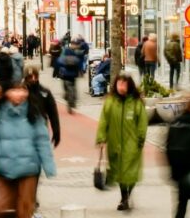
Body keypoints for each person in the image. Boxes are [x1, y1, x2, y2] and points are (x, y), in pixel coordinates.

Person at [0, 82, 58, 218]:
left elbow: (42, 139)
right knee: (0, 208)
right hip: (4, 168)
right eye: (14, 90)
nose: (18, 94)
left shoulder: (33, 112)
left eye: (22, 90)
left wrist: (48, 165)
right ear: (7, 92)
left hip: (29, 168)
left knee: (25, 209)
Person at [96, 73, 149, 211]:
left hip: (132, 144)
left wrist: (141, 139)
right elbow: (104, 120)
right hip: (115, 143)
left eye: (124, 84)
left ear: (129, 85)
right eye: (119, 84)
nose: (121, 87)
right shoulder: (110, 102)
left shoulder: (136, 103)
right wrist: (101, 138)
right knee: (119, 172)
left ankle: (126, 196)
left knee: (130, 173)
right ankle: (124, 197)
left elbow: (142, 122)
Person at [25, 65, 61, 147]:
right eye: (30, 77)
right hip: (24, 129)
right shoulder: (20, 92)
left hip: (41, 128)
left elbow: (53, 113)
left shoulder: (44, 92)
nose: (33, 79)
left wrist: (56, 131)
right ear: (26, 77)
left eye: (35, 76)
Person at [58, 39, 85, 112]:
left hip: (66, 73)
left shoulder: (66, 50)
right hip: (72, 73)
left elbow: (60, 60)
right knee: (72, 88)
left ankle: (70, 100)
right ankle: (72, 101)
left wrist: (59, 68)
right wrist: (81, 72)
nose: (75, 46)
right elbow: (80, 63)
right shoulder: (77, 52)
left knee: (69, 88)